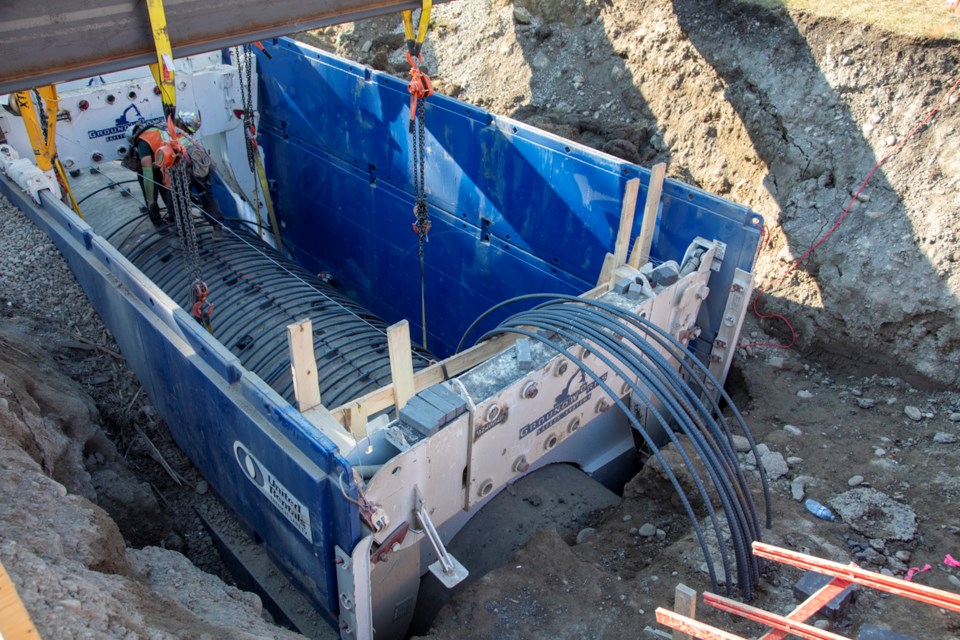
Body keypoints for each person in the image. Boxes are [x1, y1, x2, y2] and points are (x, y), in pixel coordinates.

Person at [124, 112, 223, 229]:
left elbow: (147, 174)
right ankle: (217, 226)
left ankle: (183, 235)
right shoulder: (165, 128)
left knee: (177, 202)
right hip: (199, 160)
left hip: (182, 165)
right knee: (206, 193)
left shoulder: (143, 140)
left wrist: (150, 200)